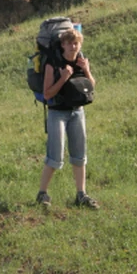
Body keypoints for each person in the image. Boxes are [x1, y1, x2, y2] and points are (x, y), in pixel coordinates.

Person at [36, 27, 98, 208]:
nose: (73, 47)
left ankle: (81, 194)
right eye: (69, 43)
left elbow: (91, 86)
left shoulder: (81, 60)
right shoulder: (53, 63)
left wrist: (86, 70)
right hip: (57, 113)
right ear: (62, 45)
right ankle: (42, 194)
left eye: (76, 43)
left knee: (79, 155)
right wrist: (63, 78)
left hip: (77, 111)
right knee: (55, 156)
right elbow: (47, 94)